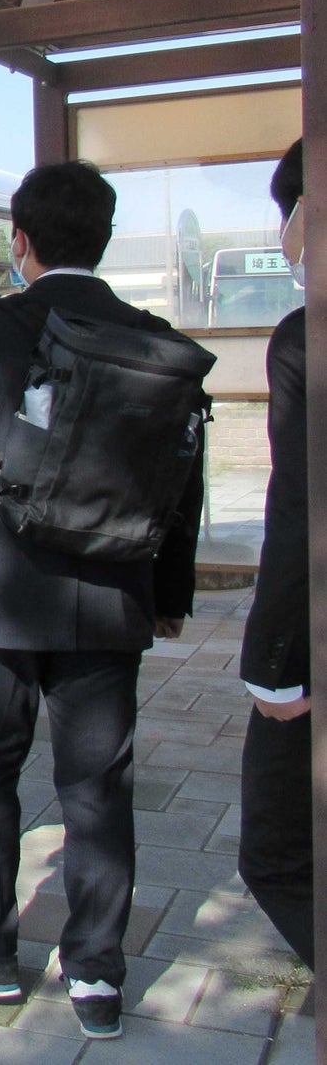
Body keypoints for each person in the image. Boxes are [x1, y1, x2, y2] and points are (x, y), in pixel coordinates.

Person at [0, 161, 202, 1041]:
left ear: (21, 242)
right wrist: (170, 592)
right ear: (105, 241)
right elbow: (180, 482)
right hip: (110, 603)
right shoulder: (152, 338)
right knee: (97, 789)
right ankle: (98, 977)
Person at [238, 139, 312, 969]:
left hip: (315, 646)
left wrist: (275, 664)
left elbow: (298, 506)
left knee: (278, 854)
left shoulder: (306, 337)